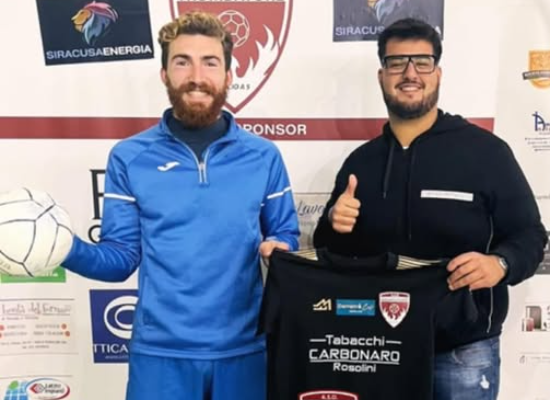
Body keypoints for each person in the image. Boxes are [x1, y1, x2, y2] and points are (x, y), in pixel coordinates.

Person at [62, 11, 299, 400]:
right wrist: (61, 248)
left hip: (244, 351)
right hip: (160, 356)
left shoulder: (263, 156)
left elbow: (285, 232)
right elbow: (120, 259)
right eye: (182, 62)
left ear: (228, 75)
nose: (197, 76)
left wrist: (281, 248)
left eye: (210, 62)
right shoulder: (129, 156)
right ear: (164, 74)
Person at [313, 18, 547, 400]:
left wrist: (500, 264)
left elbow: (531, 235)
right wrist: (332, 225)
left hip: (462, 352)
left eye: (422, 62)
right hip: (375, 348)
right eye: (397, 63)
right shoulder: (361, 163)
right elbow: (330, 254)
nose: (410, 74)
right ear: (381, 76)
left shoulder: (486, 152)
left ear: (437, 73)